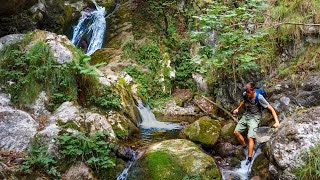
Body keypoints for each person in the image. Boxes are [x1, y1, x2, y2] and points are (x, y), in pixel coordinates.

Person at [233, 82, 280, 165]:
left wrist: (277, 122)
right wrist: (238, 109)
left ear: (253, 91)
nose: (247, 94)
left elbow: (271, 109)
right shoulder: (245, 94)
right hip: (246, 115)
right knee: (236, 132)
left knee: (250, 137)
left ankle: (249, 158)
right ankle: (244, 146)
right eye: (246, 92)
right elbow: (244, 101)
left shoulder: (259, 97)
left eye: (249, 92)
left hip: (255, 117)